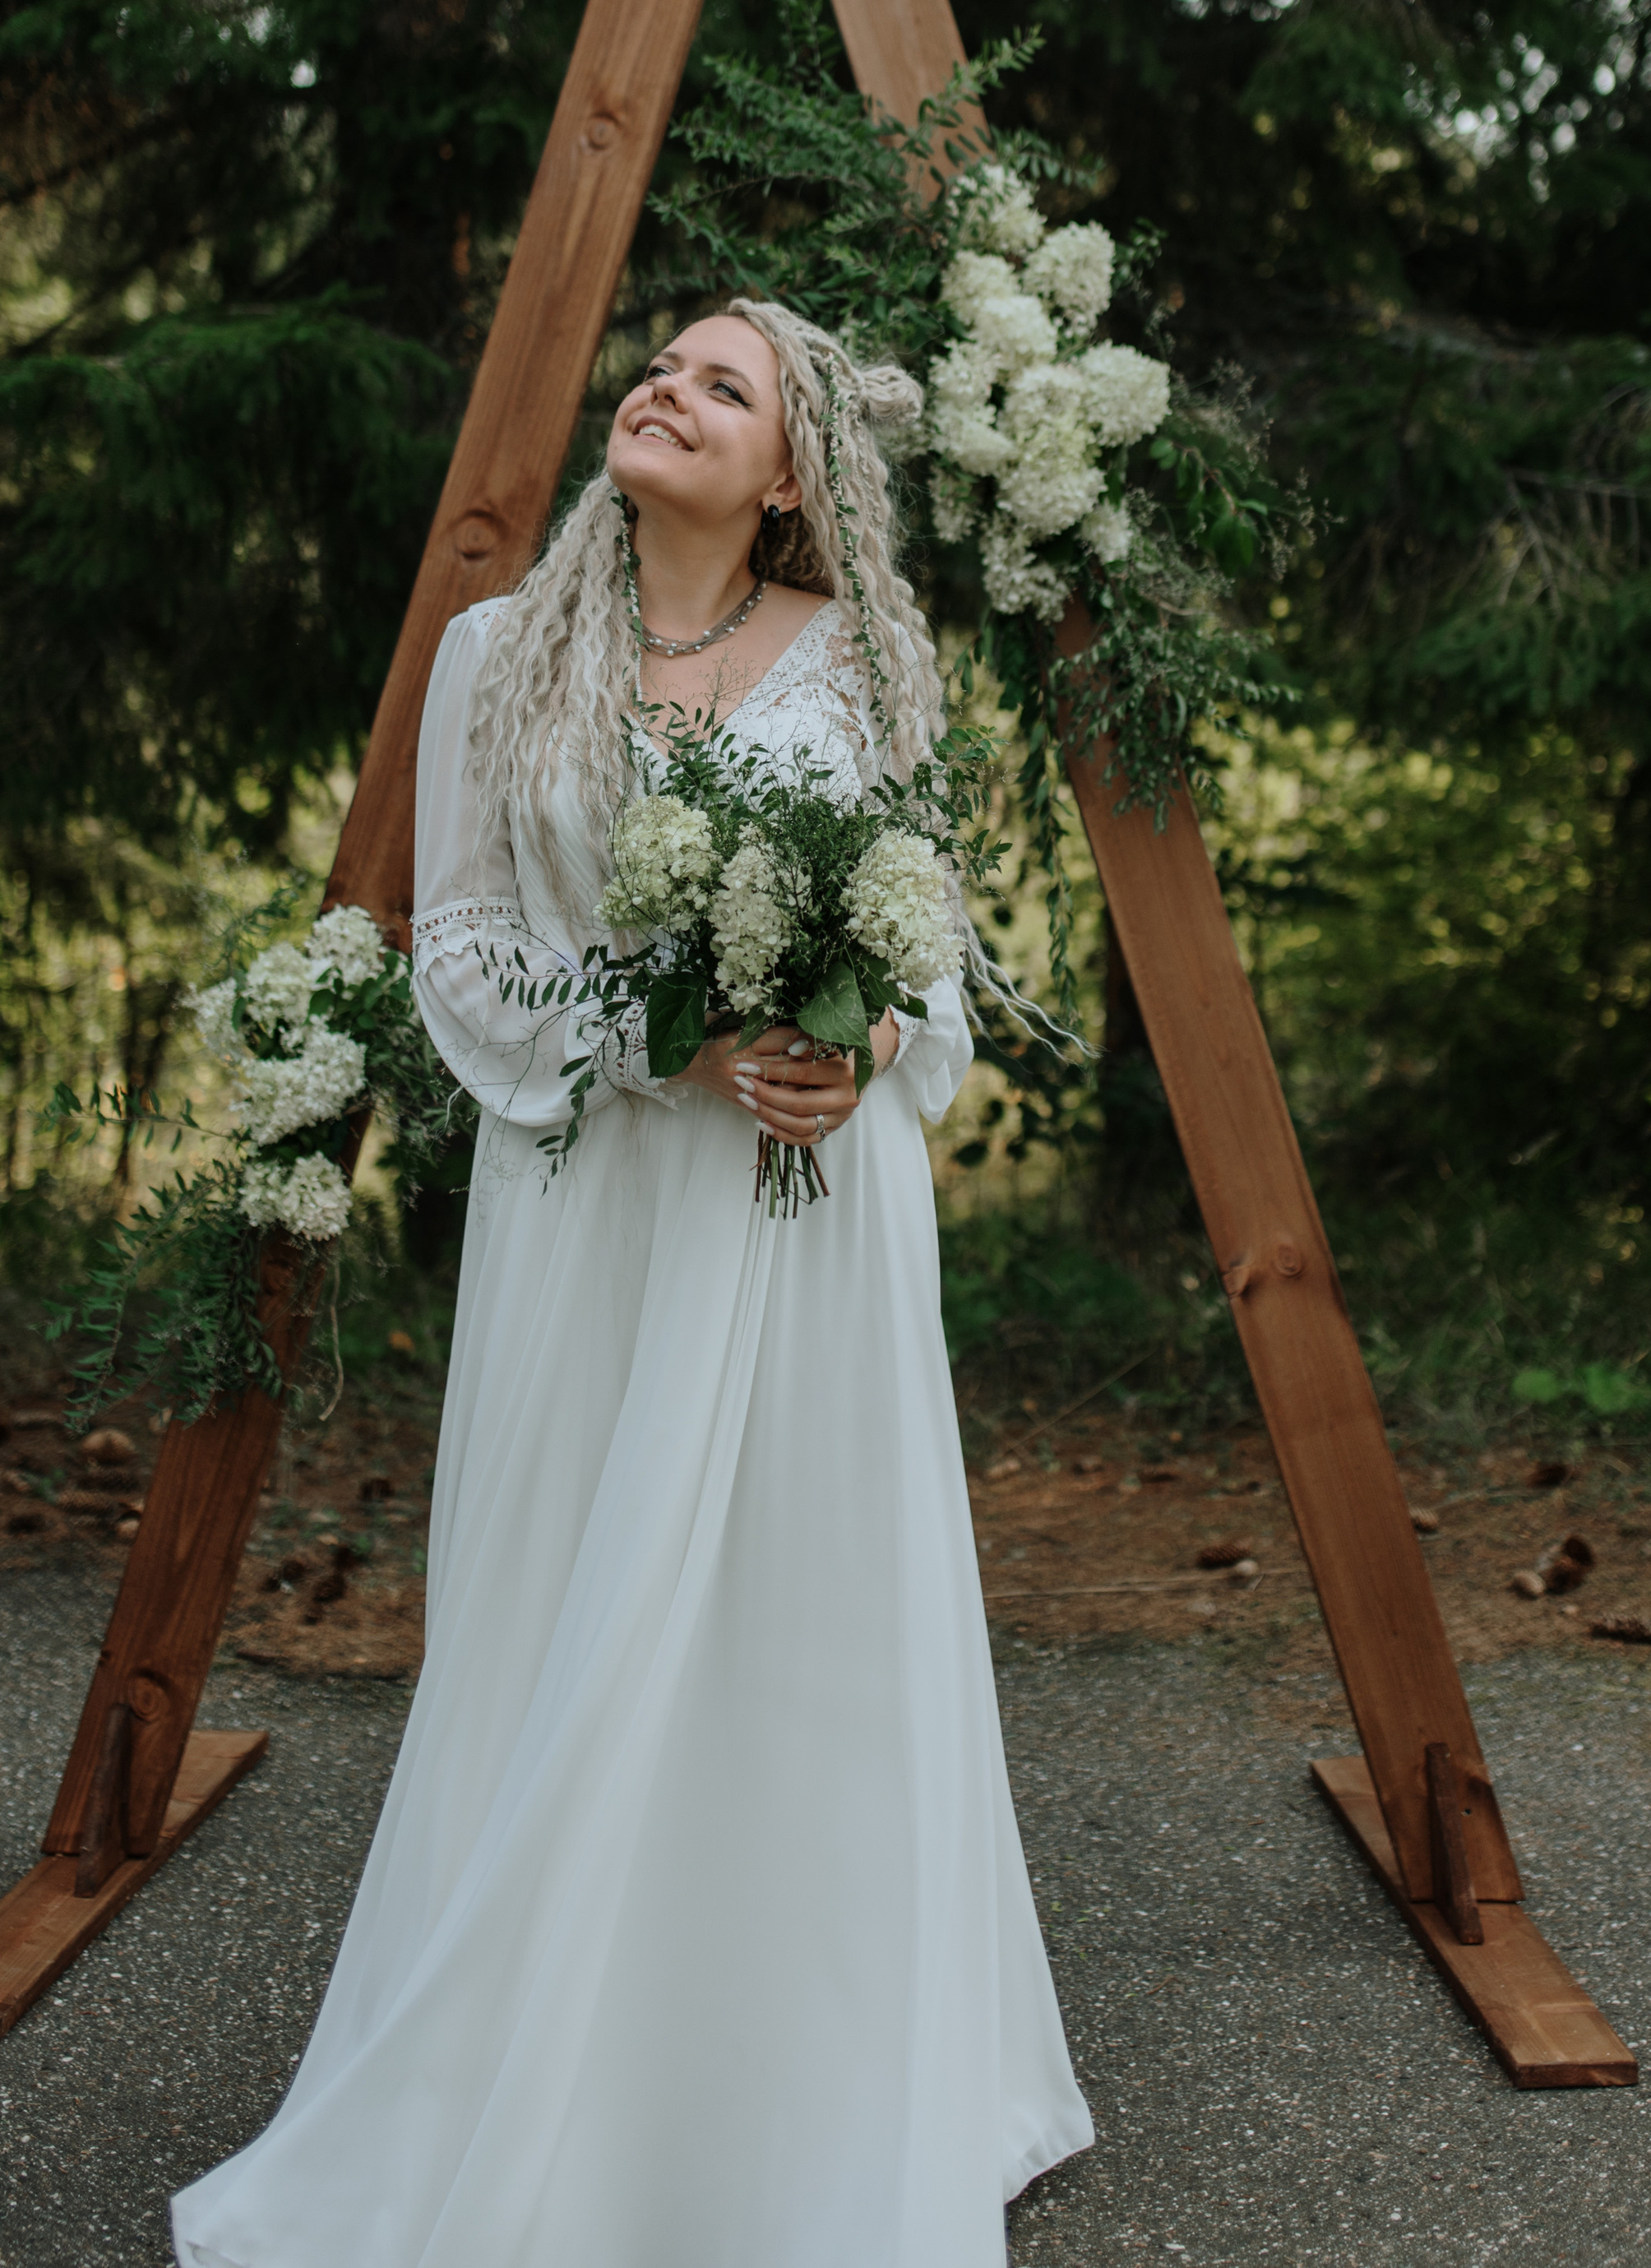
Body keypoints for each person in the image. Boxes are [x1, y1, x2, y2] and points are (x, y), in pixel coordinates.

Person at [170, 298, 1093, 2268]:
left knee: (804, 1631)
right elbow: (466, 947)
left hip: (808, 1228)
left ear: (787, 479)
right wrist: (658, 1043)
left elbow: (923, 951)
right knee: (566, 1617)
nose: (662, 393)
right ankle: (540, 2106)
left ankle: (810, 2107)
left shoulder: (862, 661)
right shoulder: (500, 654)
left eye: (719, 385)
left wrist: (853, 1052)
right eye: (659, 366)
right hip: (597, 1218)